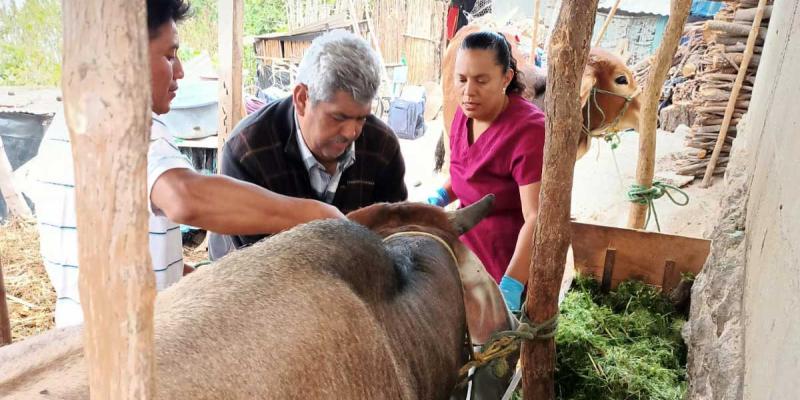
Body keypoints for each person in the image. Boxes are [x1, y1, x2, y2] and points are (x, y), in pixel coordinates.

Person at [30, 0, 343, 328]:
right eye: (169, 55)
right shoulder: (126, 124)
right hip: (133, 352)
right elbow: (182, 196)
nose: (179, 71)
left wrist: (199, 284)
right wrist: (314, 215)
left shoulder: (64, 130)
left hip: (73, 340)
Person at [208, 31, 408, 260]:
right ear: (302, 98)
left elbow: (396, 235)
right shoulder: (247, 152)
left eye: (362, 118)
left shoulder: (382, 146)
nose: (352, 132)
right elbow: (256, 270)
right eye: (339, 117)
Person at [427, 31, 545, 312]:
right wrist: (439, 197)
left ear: (506, 78)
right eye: (462, 79)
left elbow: (536, 217)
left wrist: (513, 284)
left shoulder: (529, 130)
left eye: (481, 80)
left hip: (506, 262)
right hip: (465, 253)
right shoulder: (464, 113)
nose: (468, 92)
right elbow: (465, 174)